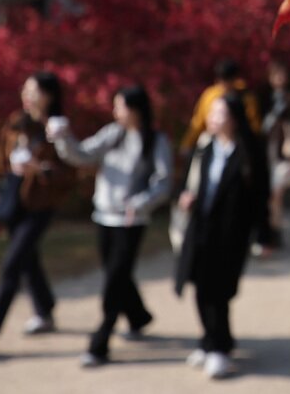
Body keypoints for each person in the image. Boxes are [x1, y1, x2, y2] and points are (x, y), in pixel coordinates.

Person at [48, 85, 173, 367]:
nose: (115, 112)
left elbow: (163, 183)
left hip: (131, 220)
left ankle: (100, 342)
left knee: (115, 279)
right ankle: (139, 316)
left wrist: (140, 203)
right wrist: (63, 137)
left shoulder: (155, 141)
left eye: (120, 106)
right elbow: (81, 155)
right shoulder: (112, 134)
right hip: (104, 217)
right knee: (117, 273)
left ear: (136, 110)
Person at [0, 71, 77, 358]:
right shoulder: (16, 122)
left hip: (40, 205)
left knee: (12, 265)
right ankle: (45, 310)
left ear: (49, 95)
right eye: (25, 90)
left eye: (33, 90)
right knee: (28, 260)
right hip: (12, 201)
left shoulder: (57, 129)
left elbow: (70, 173)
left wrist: (39, 169)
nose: (26, 95)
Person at [173, 94, 271, 380]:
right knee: (201, 289)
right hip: (201, 229)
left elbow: (260, 196)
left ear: (235, 118)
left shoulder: (248, 151)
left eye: (220, 114)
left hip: (232, 233)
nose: (214, 119)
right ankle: (212, 341)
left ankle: (218, 348)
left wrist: (263, 235)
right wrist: (184, 197)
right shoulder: (203, 147)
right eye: (212, 114)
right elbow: (185, 184)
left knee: (218, 291)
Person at [262, 61, 290, 248]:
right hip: (268, 150)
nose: (279, 79)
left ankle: (275, 231)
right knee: (270, 196)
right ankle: (272, 230)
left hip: (285, 152)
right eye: (276, 75)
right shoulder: (265, 98)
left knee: (276, 194)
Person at [180, 60, 263, 154]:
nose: (224, 84)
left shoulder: (246, 97)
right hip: (212, 140)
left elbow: (254, 125)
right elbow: (198, 122)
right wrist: (187, 143)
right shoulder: (210, 95)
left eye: (227, 80)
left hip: (239, 142)